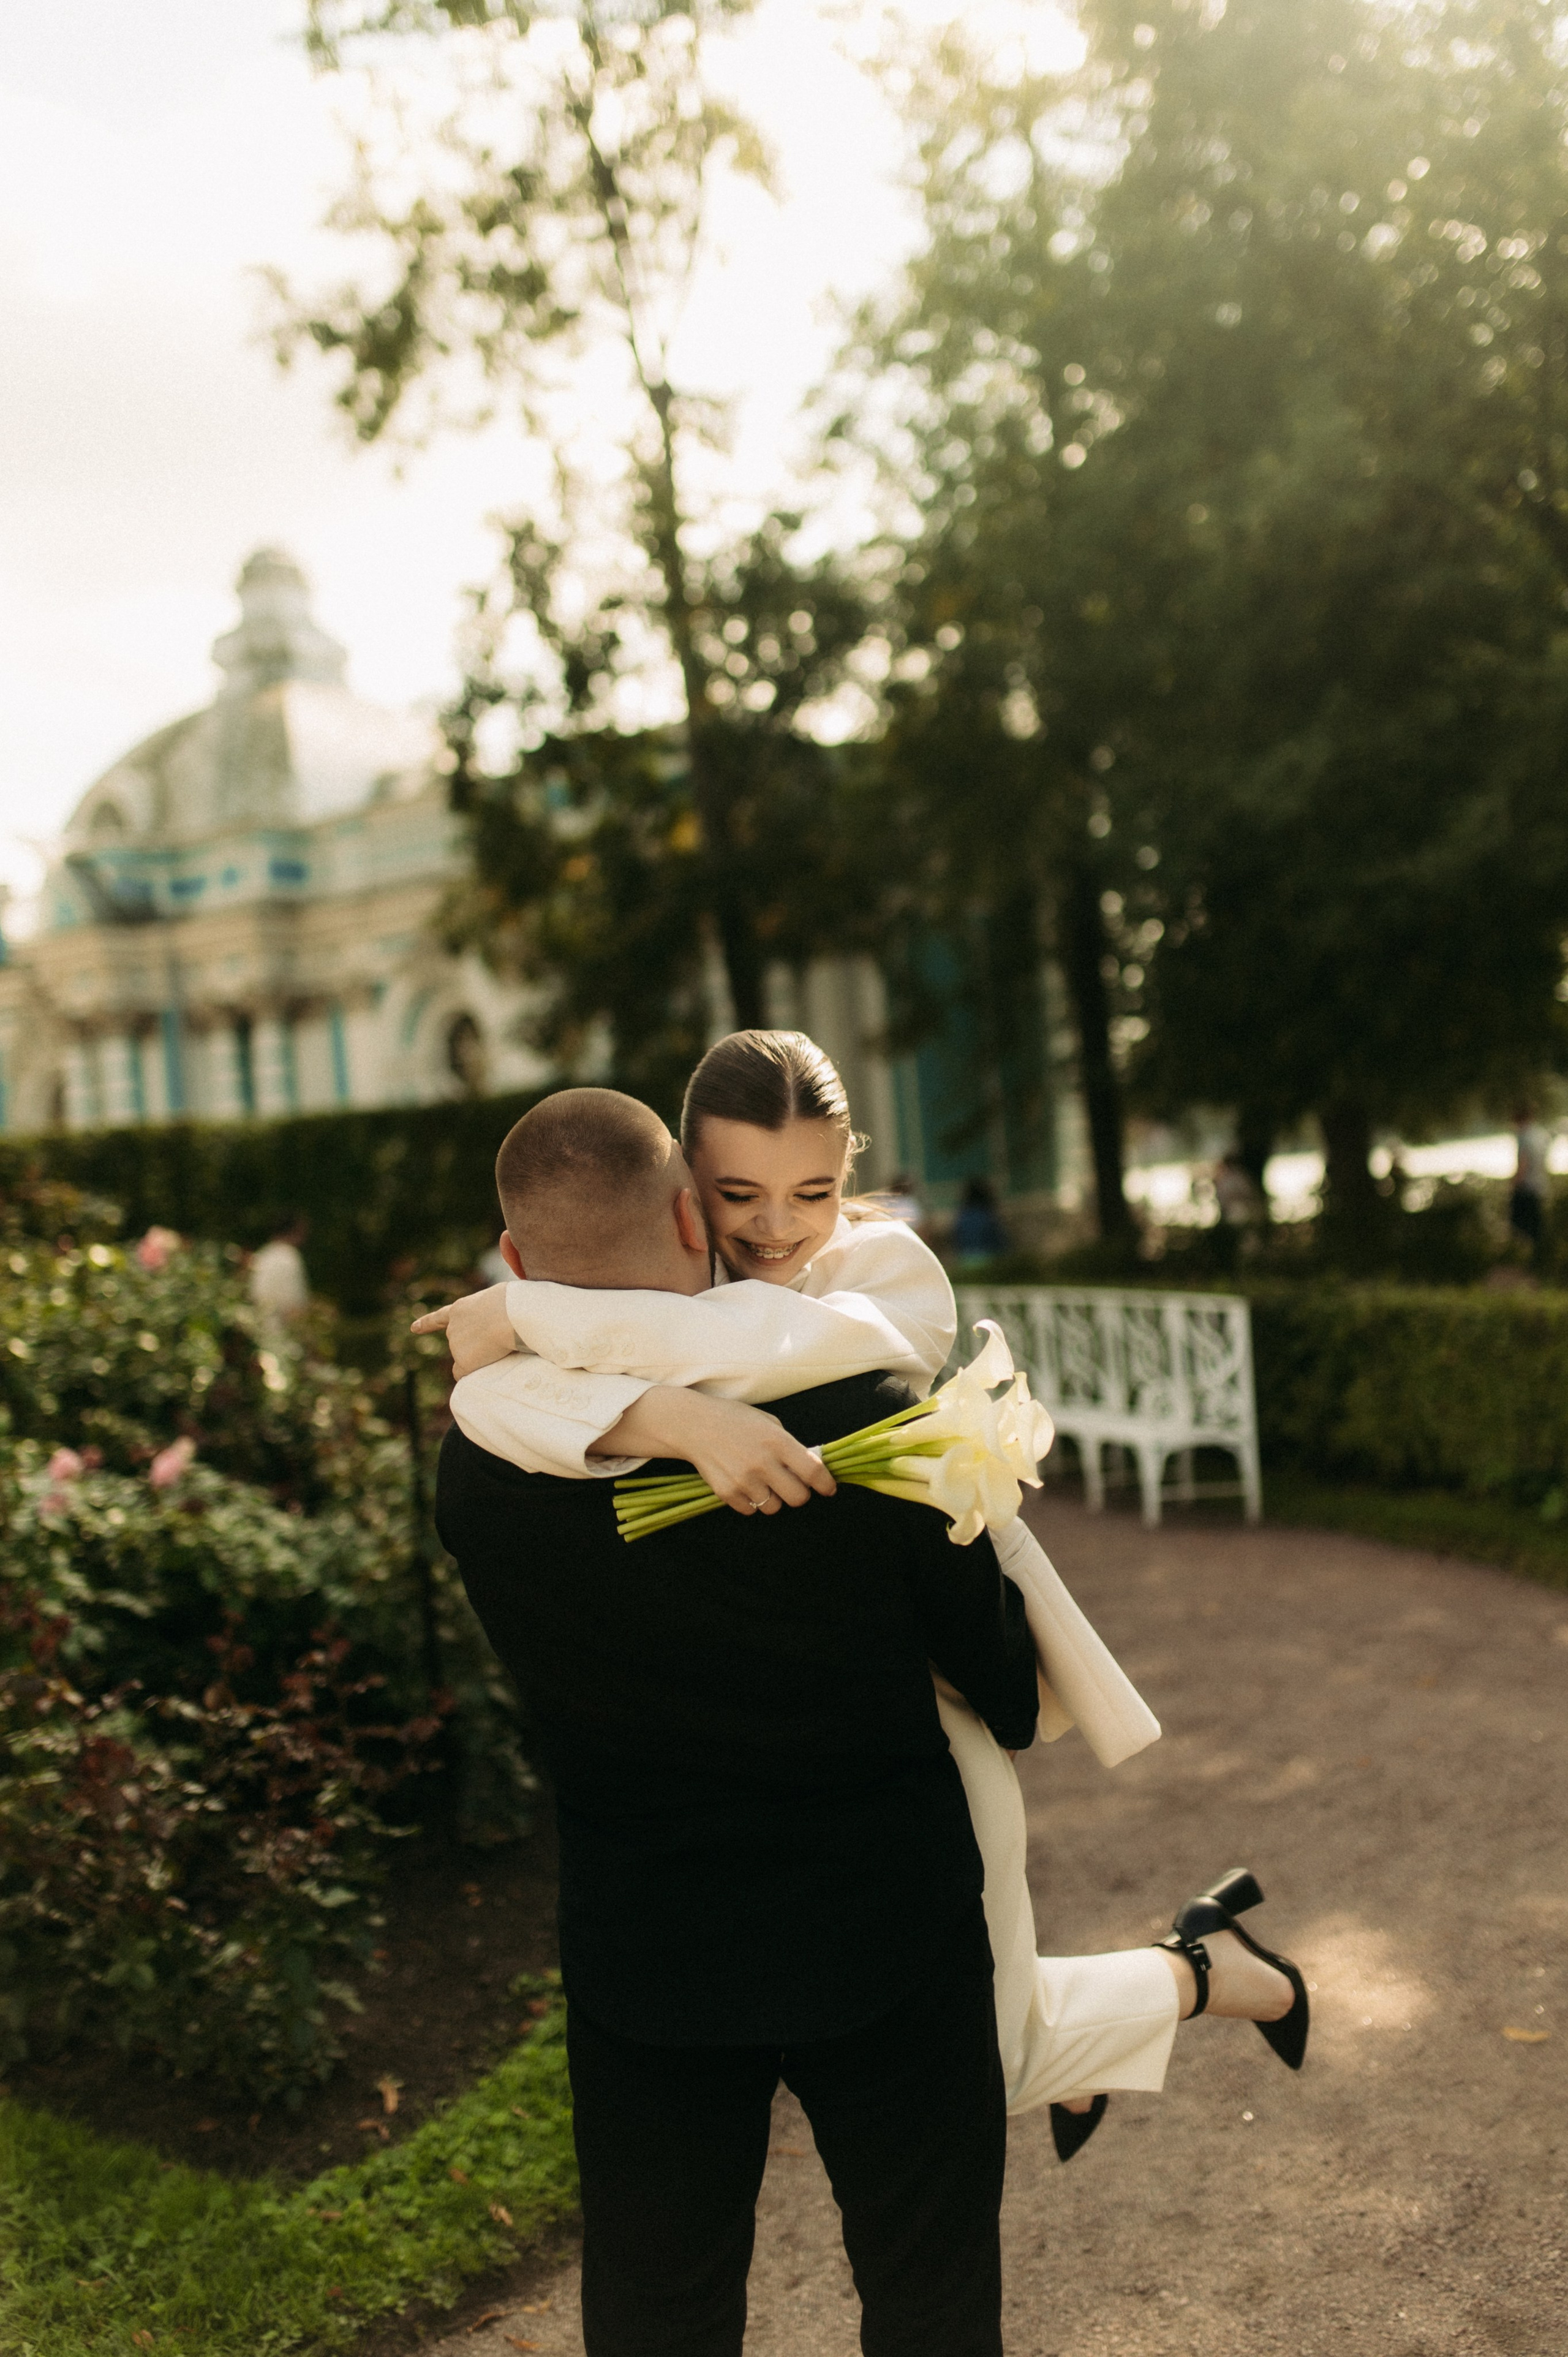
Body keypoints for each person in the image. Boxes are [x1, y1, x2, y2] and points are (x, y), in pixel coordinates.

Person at [420, 1035, 1308, 2161]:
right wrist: (673, 1417)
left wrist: (528, 1316)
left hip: (934, 1710)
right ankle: (1136, 2003)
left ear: (853, 1179)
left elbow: (729, 1346)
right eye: (738, 1193)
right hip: (765, 1763)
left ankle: (1201, 1972)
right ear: (684, 1194)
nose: (778, 1229)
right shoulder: (662, 1294)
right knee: (977, 2051)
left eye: (816, 1191)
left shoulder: (881, 1277)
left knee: (983, 2062)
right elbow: (504, 1412)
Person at [435, 1087, 1039, 2354]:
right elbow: (1007, 1686)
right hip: (885, 1930)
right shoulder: (852, 1409)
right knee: (930, 2302)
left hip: (649, 1954)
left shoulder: (485, 1461)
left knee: (661, 2316)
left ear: (512, 1263)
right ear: (688, 1211)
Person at [247, 1213, 309, 1321]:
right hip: (281, 1331)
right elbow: (294, 1304)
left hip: (259, 1327)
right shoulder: (289, 1257)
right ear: (296, 1231)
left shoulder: (263, 1254)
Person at [1510, 1105, 1550, 1260]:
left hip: (1525, 1188)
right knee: (1536, 1229)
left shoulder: (1524, 1136)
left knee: (1521, 1230)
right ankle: (1539, 1261)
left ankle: (1524, 1262)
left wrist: (1513, 1186)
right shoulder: (1541, 1135)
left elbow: (1523, 1164)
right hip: (1540, 1186)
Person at [951, 1173, 1008, 1264]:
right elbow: (999, 1243)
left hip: (966, 1262)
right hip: (988, 1262)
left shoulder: (962, 1218)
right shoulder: (987, 1216)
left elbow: (956, 1241)